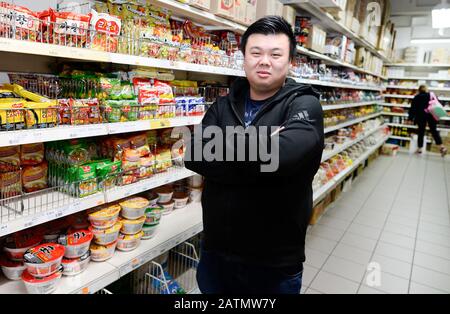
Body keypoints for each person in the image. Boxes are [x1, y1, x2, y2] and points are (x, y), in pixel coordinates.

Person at [183, 16, 324, 294]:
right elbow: (195, 153)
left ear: (290, 61)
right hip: (216, 253)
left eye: (275, 54)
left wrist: (222, 150)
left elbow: (284, 154)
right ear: (244, 57)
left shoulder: (305, 105)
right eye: (256, 52)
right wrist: (263, 152)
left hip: (273, 263)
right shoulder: (223, 105)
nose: (264, 61)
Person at [408, 85, 447, 156]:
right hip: (431, 115)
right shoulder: (431, 95)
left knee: (421, 132)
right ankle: (442, 147)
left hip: (421, 117)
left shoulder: (417, 97)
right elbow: (439, 104)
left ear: (419, 90)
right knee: (434, 131)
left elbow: (412, 109)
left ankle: (419, 149)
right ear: (426, 89)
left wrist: (410, 118)